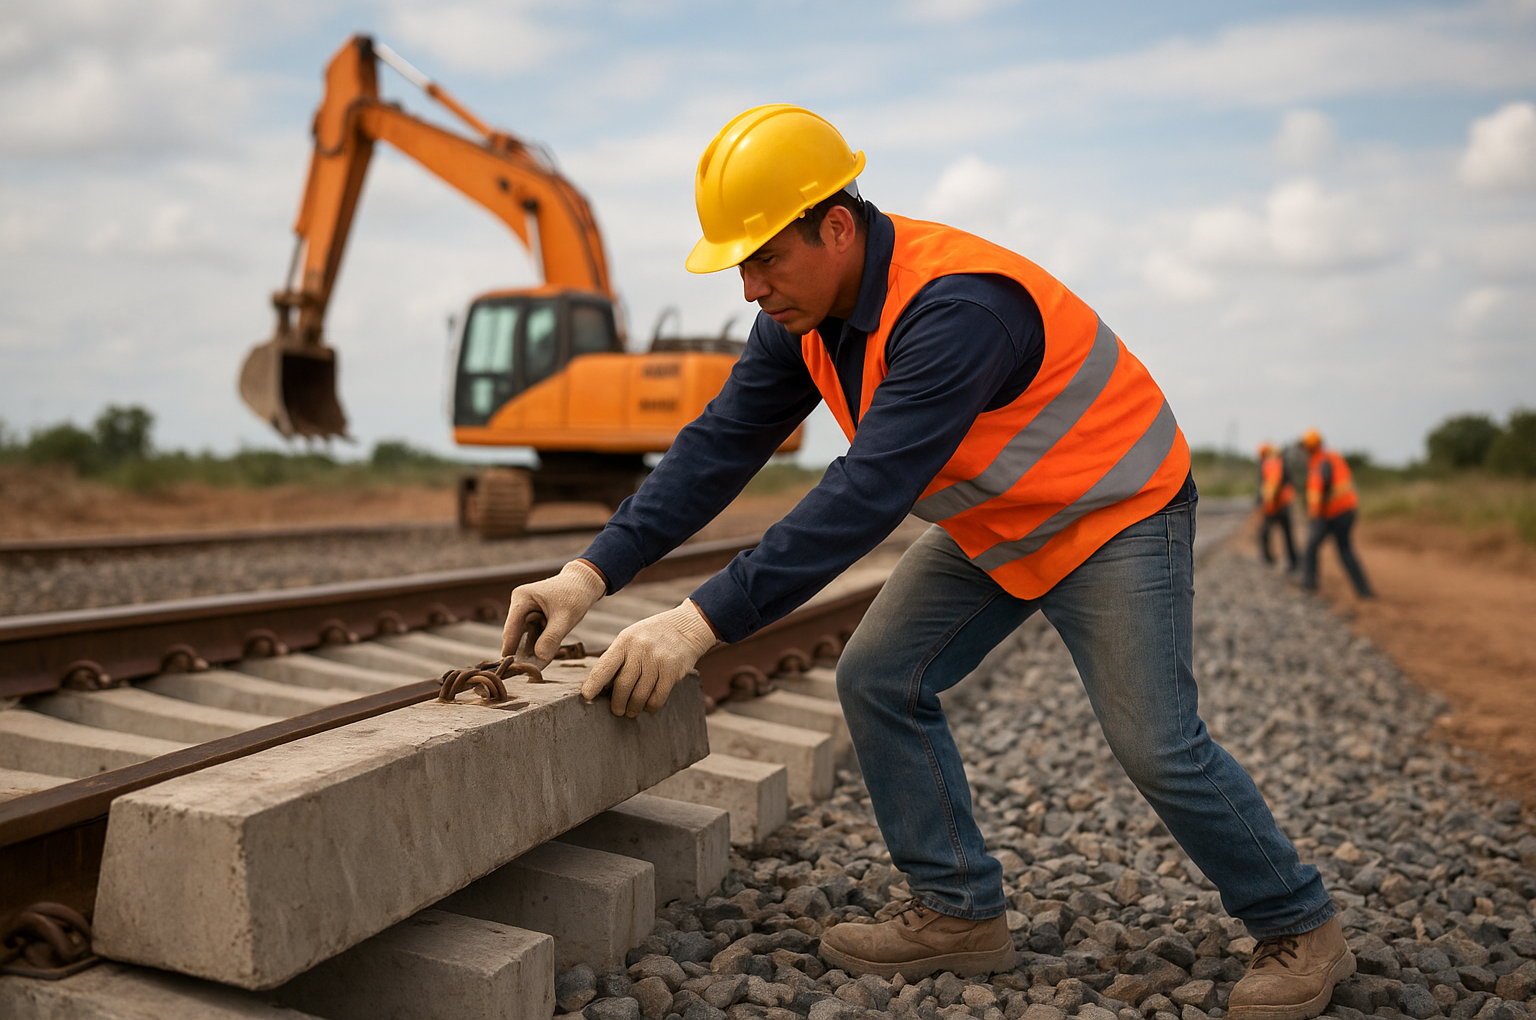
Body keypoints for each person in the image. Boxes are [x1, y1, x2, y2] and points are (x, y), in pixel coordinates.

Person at [503, 105, 1353, 1018]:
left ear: (836, 226)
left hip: (1116, 515)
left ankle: (1301, 927)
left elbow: (864, 494)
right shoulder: (804, 313)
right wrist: (588, 574)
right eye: (739, 264)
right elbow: (718, 447)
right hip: (999, 520)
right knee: (878, 677)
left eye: (765, 257)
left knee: (1157, 742)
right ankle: (958, 911)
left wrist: (694, 623)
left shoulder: (957, 309)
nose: (750, 287)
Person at [1300, 428, 1373, 598]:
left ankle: (1309, 584)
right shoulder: (1333, 457)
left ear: (1310, 447)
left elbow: (1317, 492)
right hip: (1347, 510)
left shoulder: (1320, 462)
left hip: (1333, 513)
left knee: (1312, 546)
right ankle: (1364, 591)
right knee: (1345, 549)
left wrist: (1314, 515)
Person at [1257, 442, 1298, 570]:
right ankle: (1293, 561)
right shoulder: (1282, 464)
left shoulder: (1271, 464)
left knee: (1265, 532)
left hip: (1276, 505)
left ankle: (1270, 560)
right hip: (1283, 504)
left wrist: (1267, 503)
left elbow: (1272, 486)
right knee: (1287, 534)